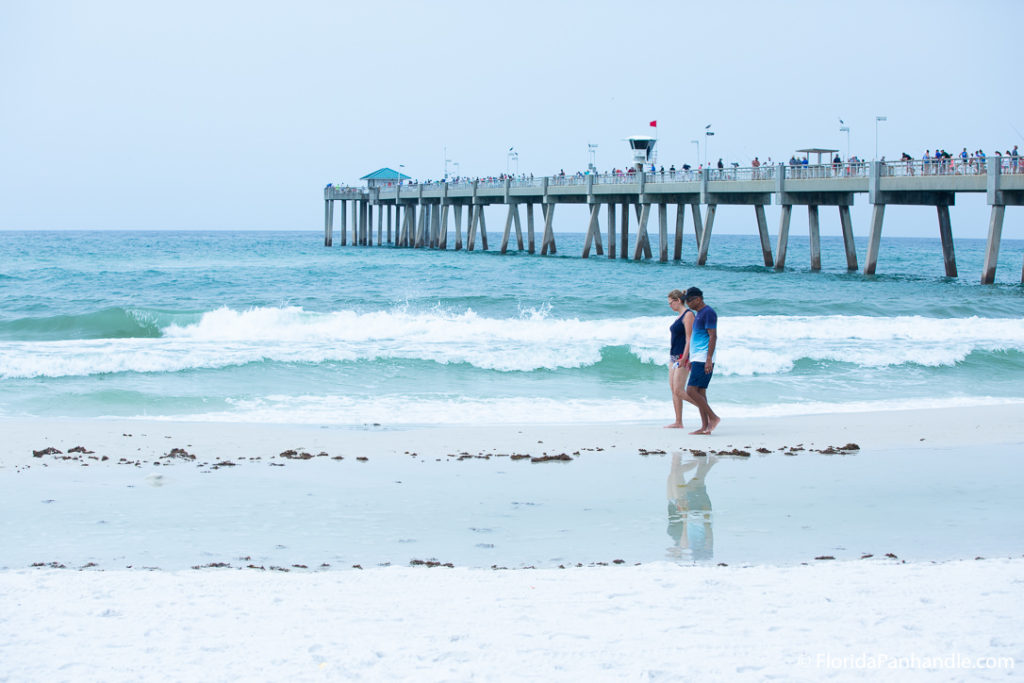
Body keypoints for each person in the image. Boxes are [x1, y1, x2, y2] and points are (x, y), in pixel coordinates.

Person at [682, 287, 720, 435]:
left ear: (698, 299)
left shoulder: (708, 312)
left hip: (704, 358)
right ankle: (705, 427)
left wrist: (708, 359)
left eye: (689, 301)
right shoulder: (699, 314)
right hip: (698, 358)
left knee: (690, 390)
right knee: (700, 392)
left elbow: (713, 336)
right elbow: (696, 339)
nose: (688, 304)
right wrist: (691, 358)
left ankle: (714, 418)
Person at [665, 289, 695, 428]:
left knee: (679, 390)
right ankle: (678, 421)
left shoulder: (688, 315)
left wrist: (684, 358)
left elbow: (689, 339)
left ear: (678, 301)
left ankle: (705, 409)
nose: (670, 306)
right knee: (673, 389)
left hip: (683, 357)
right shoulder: (679, 316)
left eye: (671, 303)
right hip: (674, 356)